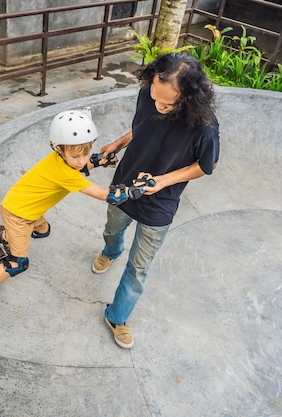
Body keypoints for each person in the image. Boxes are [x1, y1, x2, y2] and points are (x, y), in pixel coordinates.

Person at [92, 53, 220, 349]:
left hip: (161, 201)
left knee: (138, 267)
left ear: (189, 98)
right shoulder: (148, 95)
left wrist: (162, 181)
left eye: (168, 104)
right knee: (112, 229)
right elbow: (143, 127)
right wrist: (119, 143)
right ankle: (111, 251)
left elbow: (205, 165)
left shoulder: (205, 127)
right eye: (155, 98)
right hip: (125, 183)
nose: (159, 107)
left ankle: (117, 316)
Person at [0, 108, 125, 318]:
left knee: (42, 230)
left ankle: (4, 237)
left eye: (86, 153)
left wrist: (98, 160)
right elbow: (102, 194)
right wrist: (129, 191)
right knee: (19, 264)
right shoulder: (66, 173)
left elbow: (78, 166)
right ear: (59, 149)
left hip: (25, 207)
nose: (82, 160)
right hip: (19, 216)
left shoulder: (60, 160)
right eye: (76, 155)